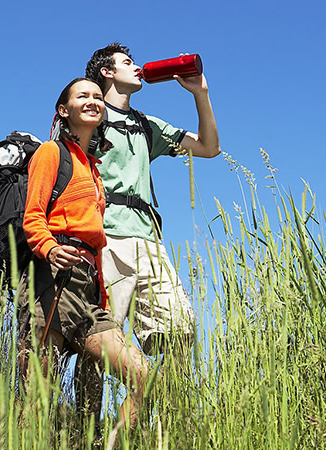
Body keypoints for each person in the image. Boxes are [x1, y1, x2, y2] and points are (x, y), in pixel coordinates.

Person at [74, 42, 221, 421]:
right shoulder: (89, 114)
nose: (137, 67)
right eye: (127, 62)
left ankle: (163, 423)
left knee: (179, 330)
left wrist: (200, 94)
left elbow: (209, 147)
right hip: (105, 240)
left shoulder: (145, 125)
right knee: (103, 340)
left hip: (150, 243)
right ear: (107, 72)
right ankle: (85, 430)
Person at [17, 77, 150, 429]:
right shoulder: (51, 153)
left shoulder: (94, 170)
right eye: (82, 96)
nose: (92, 100)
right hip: (52, 281)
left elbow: (96, 242)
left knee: (143, 375)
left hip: (88, 289)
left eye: (96, 96)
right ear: (64, 110)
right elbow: (33, 216)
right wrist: (48, 248)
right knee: (38, 397)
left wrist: (101, 293)